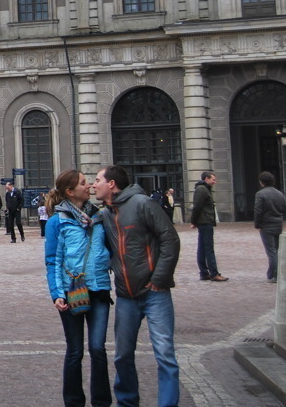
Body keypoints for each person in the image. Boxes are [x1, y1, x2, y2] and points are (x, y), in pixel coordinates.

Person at [94, 164, 181, 407]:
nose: (93, 185)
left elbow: (170, 239)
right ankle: (127, 402)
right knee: (122, 355)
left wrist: (159, 280)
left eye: (97, 180)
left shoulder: (143, 204)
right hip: (125, 295)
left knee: (165, 355)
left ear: (111, 184)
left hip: (155, 293)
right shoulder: (106, 213)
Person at [44, 170, 112, 407]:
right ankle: (74, 402)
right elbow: (52, 260)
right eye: (84, 183)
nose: (89, 186)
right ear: (70, 192)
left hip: (100, 290)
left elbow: (113, 251)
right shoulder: (57, 222)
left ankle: (102, 402)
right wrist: (57, 294)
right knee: (75, 351)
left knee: (98, 348)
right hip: (71, 292)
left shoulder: (102, 217)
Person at [190, 172, 228, 282]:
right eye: (213, 179)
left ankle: (204, 273)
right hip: (205, 222)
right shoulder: (202, 189)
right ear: (206, 179)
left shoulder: (204, 189)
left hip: (204, 221)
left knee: (202, 247)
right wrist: (193, 221)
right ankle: (214, 273)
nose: (215, 182)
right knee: (208, 248)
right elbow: (197, 206)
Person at [253, 171, 286, 283]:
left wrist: (257, 224)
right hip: (278, 224)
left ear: (262, 182)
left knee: (271, 252)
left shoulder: (260, 194)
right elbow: (284, 209)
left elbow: (258, 211)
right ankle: (275, 273)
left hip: (266, 225)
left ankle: (274, 275)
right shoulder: (280, 193)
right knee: (277, 250)